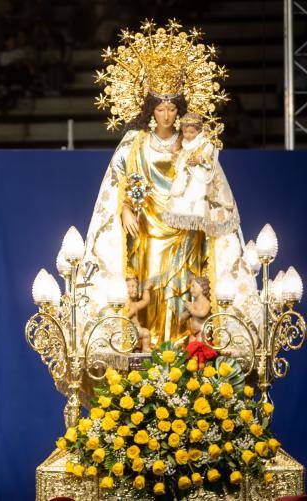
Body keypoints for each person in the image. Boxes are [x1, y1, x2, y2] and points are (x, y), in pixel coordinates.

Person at [83, 21, 255, 348]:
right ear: (150, 108)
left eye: (172, 107)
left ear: (180, 109)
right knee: (147, 287)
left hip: (186, 228)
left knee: (184, 286)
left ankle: (181, 347)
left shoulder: (193, 143)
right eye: (160, 107)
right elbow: (123, 180)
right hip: (146, 229)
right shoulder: (136, 142)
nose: (166, 114)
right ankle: (148, 346)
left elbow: (209, 183)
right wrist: (125, 209)